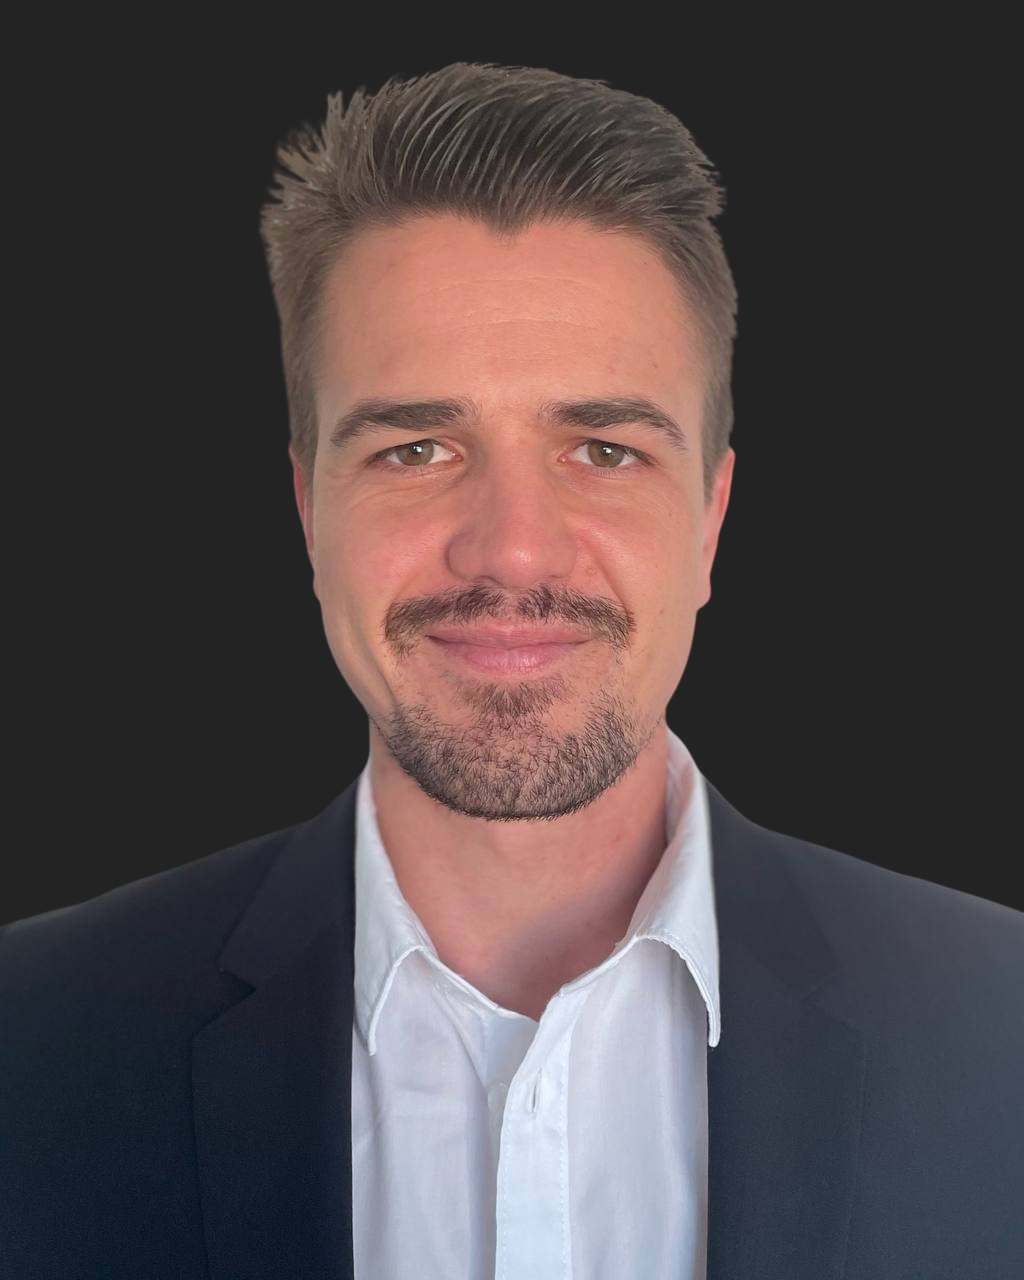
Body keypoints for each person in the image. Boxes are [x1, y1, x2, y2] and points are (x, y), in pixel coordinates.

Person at [1, 61, 1020, 1280]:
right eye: (416, 448)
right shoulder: (31, 1039)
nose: (513, 549)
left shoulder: (1000, 1026)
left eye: (603, 448)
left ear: (709, 517)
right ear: (308, 512)